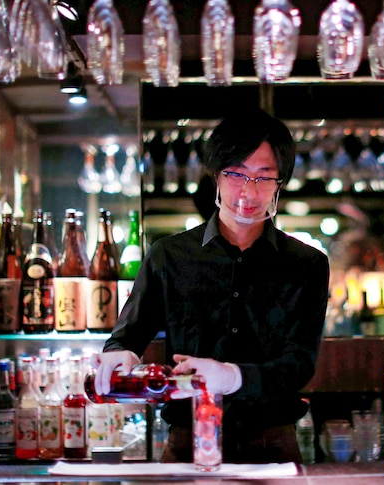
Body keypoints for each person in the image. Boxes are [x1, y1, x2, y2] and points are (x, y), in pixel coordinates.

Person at [94, 107, 330, 464]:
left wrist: (232, 377)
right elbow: (128, 336)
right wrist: (121, 356)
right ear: (216, 176)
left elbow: (299, 364)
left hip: (272, 444)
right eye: (236, 174)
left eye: (264, 177)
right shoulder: (168, 256)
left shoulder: (307, 264)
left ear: (279, 184)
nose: (248, 192)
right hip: (186, 442)